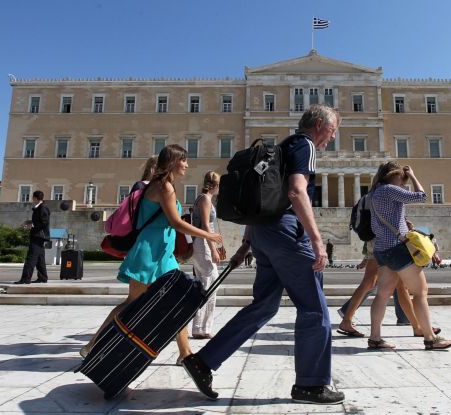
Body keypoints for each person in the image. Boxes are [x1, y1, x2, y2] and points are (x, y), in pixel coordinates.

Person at [181, 104, 345, 404]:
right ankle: (312, 384)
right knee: (314, 308)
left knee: (264, 306)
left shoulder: (282, 147)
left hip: (262, 234)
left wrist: (248, 241)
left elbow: (263, 196)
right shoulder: (305, 145)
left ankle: (203, 361)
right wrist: (317, 240)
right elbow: (296, 192)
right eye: (332, 131)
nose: (331, 139)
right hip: (286, 234)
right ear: (319, 124)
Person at [80, 145, 223, 362]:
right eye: (183, 160)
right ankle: (93, 344)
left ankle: (185, 353)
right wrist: (208, 235)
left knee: (177, 300)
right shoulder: (164, 187)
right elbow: (176, 222)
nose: (187, 164)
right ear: (174, 162)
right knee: (132, 302)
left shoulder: (162, 185)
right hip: (149, 252)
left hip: (162, 254)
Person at [367, 161, 451, 350]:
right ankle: (430, 338)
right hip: (397, 248)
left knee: (382, 295)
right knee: (420, 292)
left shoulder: (373, 192)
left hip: (381, 249)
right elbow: (421, 196)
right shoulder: (390, 189)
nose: (403, 182)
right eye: (402, 178)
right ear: (394, 174)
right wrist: (413, 175)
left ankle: (375, 338)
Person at [337, 240, 437, 339]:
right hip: (385, 243)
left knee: (399, 287)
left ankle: (417, 327)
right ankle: (348, 320)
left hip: (380, 242)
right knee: (373, 283)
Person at [190, 171, 221, 341]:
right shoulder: (205, 199)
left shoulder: (202, 198)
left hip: (202, 243)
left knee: (206, 285)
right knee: (209, 285)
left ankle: (200, 327)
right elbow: (205, 227)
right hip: (203, 244)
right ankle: (201, 328)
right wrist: (213, 249)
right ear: (215, 185)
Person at [15, 191, 50, 284]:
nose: (32, 199)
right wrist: (30, 223)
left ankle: (25, 279)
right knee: (40, 258)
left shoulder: (42, 208)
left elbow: (44, 222)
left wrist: (32, 226)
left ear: (35, 198)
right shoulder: (39, 208)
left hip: (38, 236)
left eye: (33, 197)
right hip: (38, 235)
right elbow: (40, 221)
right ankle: (43, 277)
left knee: (31, 257)